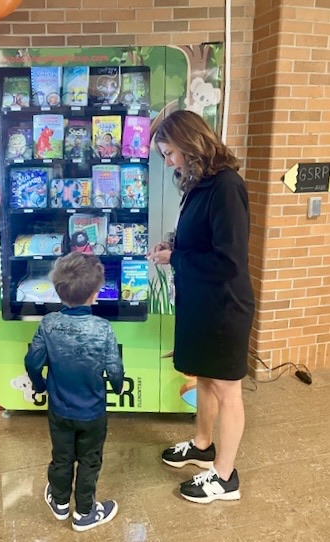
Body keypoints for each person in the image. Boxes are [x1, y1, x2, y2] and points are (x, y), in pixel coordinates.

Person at [148, 110, 255, 504]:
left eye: (170, 152)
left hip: (224, 308)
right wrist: (174, 246)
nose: (168, 162)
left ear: (191, 144)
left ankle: (225, 477)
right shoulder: (200, 183)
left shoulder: (227, 186)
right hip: (201, 301)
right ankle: (203, 445)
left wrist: (174, 259)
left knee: (227, 389)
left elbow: (229, 261)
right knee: (206, 379)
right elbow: (202, 237)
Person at [25, 252, 124, 531]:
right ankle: (84, 513)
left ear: (58, 291)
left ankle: (59, 503)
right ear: (95, 293)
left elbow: (33, 362)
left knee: (62, 455)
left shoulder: (49, 324)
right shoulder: (103, 329)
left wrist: (40, 386)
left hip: (59, 409)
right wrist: (115, 388)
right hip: (93, 411)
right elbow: (114, 369)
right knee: (90, 460)